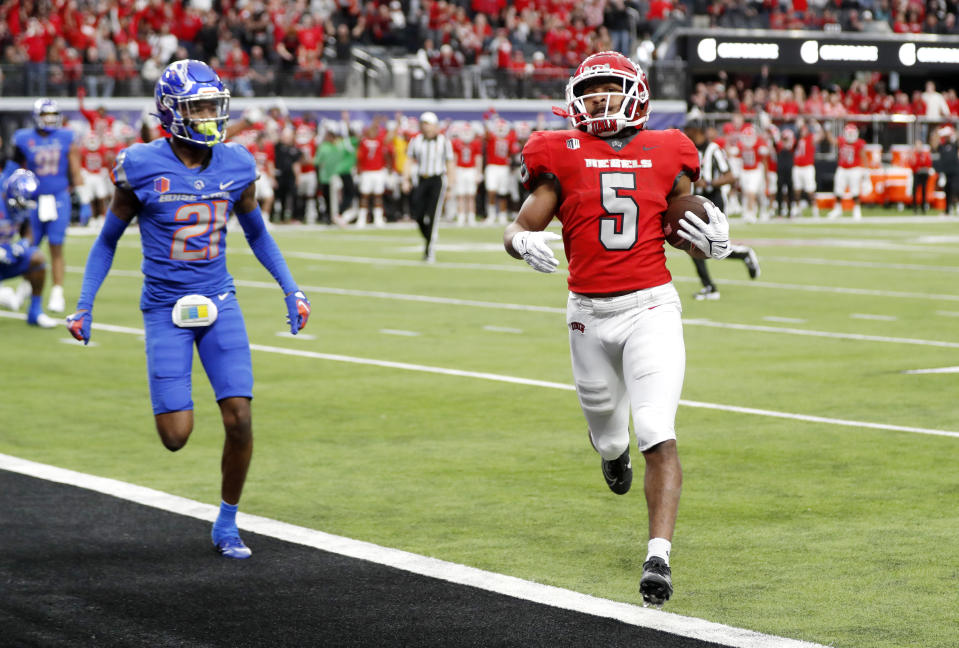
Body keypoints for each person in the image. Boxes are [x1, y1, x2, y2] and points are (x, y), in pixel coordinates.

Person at [504, 51, 733, 607]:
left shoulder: (668, 149)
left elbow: (687, 217)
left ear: (637, 95)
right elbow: (522, 225)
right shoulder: (558, 151)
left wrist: (715, 232)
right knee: (610, 434)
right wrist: (520, 242)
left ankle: (658, 557)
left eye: (612, 88)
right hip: (588, 315)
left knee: (656, 426)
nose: (602, 99)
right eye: (594, 90)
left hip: (651, 307)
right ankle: (610, 452)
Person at [64, 60, 312, 559]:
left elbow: (258, 233)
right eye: (198, 107)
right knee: (176, 436)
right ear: (171, 112)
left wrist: (292, 289)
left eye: (213, 106)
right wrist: (84, 305)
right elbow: (107, 240)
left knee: (239, 416)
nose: (208, 116)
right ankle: (170, 386)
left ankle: (227, 522)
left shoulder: (237, 163)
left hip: (219, 299)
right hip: (163, 305)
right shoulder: (139, 164)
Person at [13, 98, 86, 314]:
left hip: (58, 198)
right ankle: (27, 287)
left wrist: (83, 199)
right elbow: (15, 170)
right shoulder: (24, 138)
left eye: (52, 115)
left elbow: (75, 169)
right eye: (45, 115)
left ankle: (57, 292)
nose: (49, 119)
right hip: (33, 200)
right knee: (30, 247)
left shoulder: (66, 136)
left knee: (56, 244)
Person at [684, 124, 760, 301]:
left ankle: (743, 253)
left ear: (698, 131)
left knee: (714, 246)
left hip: (713, 201)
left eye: (690, 132)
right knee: (694, 245)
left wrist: (709, 183)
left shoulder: (713, 149)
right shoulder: (690, 149)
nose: (688, 135)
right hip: (696, 201)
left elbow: (730, 176)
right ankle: (709, 287)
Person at [0, 169, 58, 328]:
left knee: (37, 258)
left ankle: (35, 311)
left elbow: (28, 231)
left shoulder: (20, 207)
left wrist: (23, 243)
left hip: (7, 258)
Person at [403, 112, 454, 262]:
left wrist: (450, 186)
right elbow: (409, 160)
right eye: (423, 124)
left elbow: (450, 164)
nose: (425, 127)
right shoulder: (416, 140)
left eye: (428, 124)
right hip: (421, 179)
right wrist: (405, 179)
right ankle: (430, 239)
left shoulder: (444, 142)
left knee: (433, 215)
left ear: (435, 126)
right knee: (417, 214)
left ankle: (429, 250)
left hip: (437, 180)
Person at [826, 124, 866, 220]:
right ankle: (838, 209)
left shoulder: (859, 143)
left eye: (852, 134)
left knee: (855, 191)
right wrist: (828, 131)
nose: (851, 136)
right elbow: (832, 141)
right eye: (850, 134)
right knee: (838, 190)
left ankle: (857, 210)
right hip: (842, 168)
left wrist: (865, 171)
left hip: (854, 169)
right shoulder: (842, 140)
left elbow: (863, 156)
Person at [933, 125, 959, 216]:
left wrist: (953, 131)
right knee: (947, 191)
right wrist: (937, 133)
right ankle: (948, 210)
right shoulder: (942, 146)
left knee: (955, 189)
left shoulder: (954, 145)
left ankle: (956, 205)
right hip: (946, 172)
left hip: (955, 172)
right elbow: (934, 145)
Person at [909, 139, 932, 214]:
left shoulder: (924, 154)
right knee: (915, 191)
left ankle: (923, 208)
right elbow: (912, 165)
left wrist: (923, 168)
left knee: (924, 192)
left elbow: (928, 163)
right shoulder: (914, 155)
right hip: (916, 174)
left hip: (923, 174)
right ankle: (915, 208)